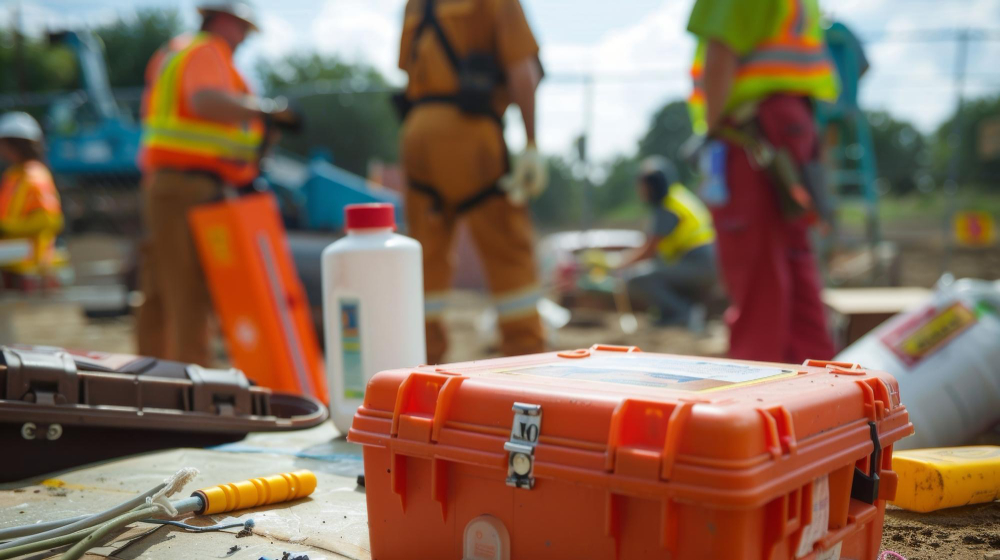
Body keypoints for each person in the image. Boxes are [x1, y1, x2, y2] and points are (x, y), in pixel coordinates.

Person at [136, 1, 297, 365]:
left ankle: (150, 375)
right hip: (189, 186)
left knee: (161, 287)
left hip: (169, 184)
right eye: (243, 29)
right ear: (224, 20)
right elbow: (205, 101)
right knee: (189, 290)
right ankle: (190, 381)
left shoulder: (176, 51)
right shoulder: (208, 50)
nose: (244, 39)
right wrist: (270, 111)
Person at [687, 0, 839, 363]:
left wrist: (712, 128)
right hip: (789, 124)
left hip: (752, 130)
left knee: (756, 267)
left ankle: (756, 378)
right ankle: (818, 381)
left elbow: (722, 50)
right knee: (793, 260)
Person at [397, 0, 547, 364]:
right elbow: (522, 71)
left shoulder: (416, 3)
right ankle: (525, 355)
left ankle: (424, 362)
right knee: (507, 246)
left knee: (426, 253)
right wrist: (531, 143)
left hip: (416, 132)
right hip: (470, 131)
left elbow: (408, 69)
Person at [617, 156, 716, 330]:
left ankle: (683, 314)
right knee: (657, 269)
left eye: (642, 186)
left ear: (652, 186)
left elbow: (648, 251)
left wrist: (618, 265)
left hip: (699, 264)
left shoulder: (667, 207)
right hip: (708, 262)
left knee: (636, 278)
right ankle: (676, 312)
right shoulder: (679, 196)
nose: (640, 191)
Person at [0, 112, 64, 288]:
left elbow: (50, 220)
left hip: (31, 251)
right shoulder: (14, 175)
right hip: (13, 247)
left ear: (16, 144)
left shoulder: (35, 176)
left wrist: (7, 228)